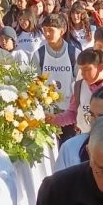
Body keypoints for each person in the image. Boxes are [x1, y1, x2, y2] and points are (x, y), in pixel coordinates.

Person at [33, 13, 79, 142]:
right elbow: (34, 84)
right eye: (45, 30)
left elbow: (79, 84)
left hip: (68, 115)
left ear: (62, 31)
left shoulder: (74, 54)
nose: (47, 34)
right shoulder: (38, 55)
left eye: (51, 30)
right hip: (46, 113)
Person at [54, 47, 103, 134]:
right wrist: (56, 119)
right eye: (81, 69)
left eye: (86, 69)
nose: (82, 74)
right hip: (84, 137)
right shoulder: (78, 86)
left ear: (100, 67)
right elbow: (73, 113)